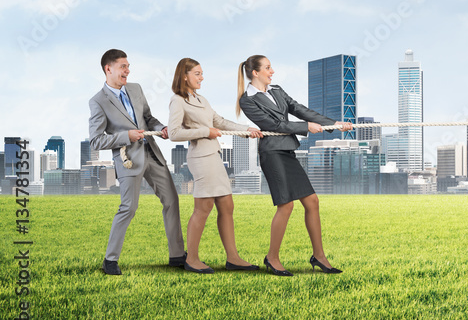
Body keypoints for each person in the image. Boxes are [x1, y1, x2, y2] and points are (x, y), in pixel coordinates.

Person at [236, 55, 352, 276]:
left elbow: (299, 109)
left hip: (287, 152)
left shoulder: (277, 91)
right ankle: (272, 257)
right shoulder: (247, 100)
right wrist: (306, 127)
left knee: (312, 201)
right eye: (268, 68)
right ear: (255, 73)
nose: (273, 71)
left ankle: (319, 256)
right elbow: (273, 124)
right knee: (286, 205)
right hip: (272, 154)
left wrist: (332, 124)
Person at [89, 49, 186, 275]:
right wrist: (127, 136)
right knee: (129, 208)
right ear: (108, 69)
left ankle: (177, 255)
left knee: (172, 200)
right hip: (128, 160)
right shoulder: (98, 102)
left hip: (152, 153)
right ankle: (110, 260)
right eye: (123, 66)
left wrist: (159, 128)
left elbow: (148, 118)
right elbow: (96, 140)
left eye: (128, 66)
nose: (128, 70)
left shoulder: (136, 89)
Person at [168, 58, 262, 274]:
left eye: (202, 73)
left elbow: (219, 121)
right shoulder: (178, 101)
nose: (202, 77)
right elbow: (174, 134)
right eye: (198, 73)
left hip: (213, 155)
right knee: (204, 207)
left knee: (227, 206)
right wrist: (205, 131)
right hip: (201, 157)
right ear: (184, 76)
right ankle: (191, 259)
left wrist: (245, 129)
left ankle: (233, 258)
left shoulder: (201, 99)